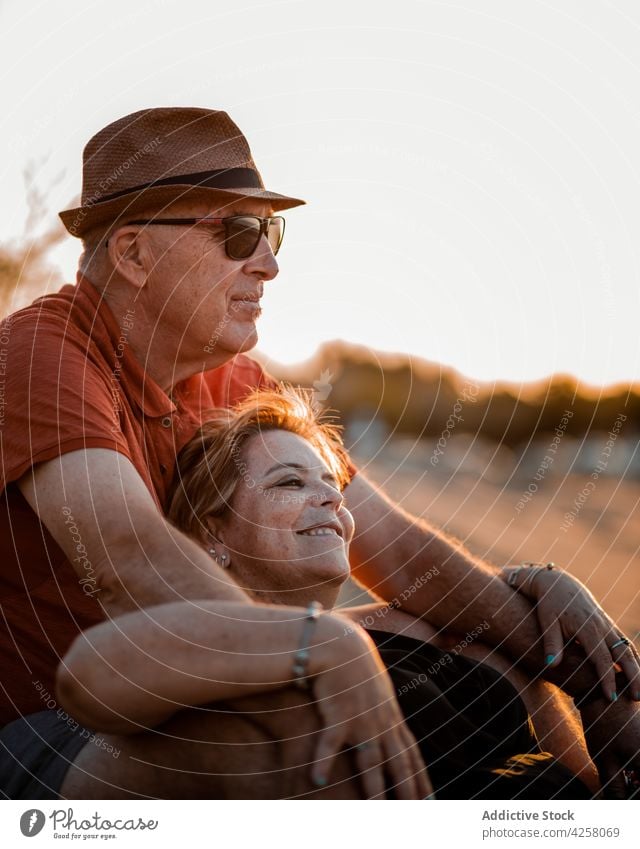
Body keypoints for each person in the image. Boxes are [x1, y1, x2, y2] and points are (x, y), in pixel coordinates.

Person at [0, 107, 638, 799]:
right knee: (289, 737)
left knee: (486, 645)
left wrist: (570, 652)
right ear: (132, 254)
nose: (269, 265)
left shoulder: (228, 378)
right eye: (240, 233)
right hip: (55, 720)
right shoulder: (41, 356)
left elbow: (393, 547)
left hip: (203, 670)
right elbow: (132, 557)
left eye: (272, 233)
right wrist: (311, 650)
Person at [56, 386, 598, 798]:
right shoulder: (207, 649)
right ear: (213, 532)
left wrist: (535, 581)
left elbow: (534, 684)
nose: (331, 500)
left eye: (333, 486)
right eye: (290, 482)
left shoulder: (401, 627)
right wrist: (322, 644)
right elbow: (91, 675)